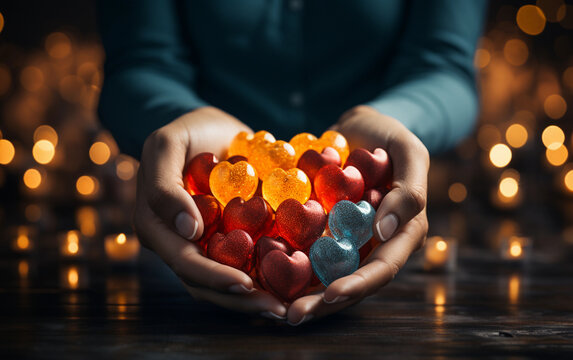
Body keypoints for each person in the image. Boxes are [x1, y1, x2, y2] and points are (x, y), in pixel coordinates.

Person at [97, 0, 487, 325]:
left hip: (363, 197)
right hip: (217, 174)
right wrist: (175, 121)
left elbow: (445, 64)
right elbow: (138, 58)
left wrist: (397, 124)